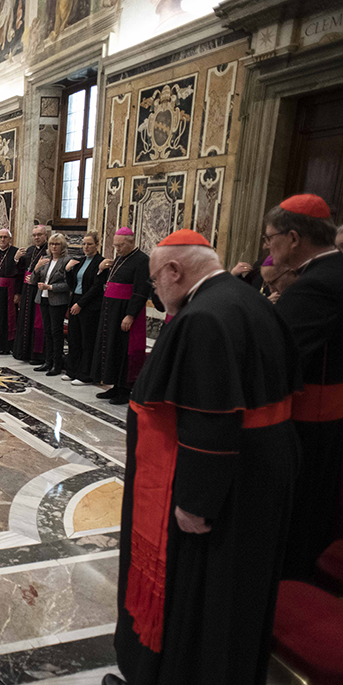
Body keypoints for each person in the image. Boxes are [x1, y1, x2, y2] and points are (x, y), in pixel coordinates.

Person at [106, 229, 298, 685]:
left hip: (216, 481)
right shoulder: (245, 298)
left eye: (155, 282)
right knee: (236, 587)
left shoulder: (204, 318)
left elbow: (210, 418)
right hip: (258, 470)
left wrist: (196, 501)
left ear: (175, 271)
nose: (155, 291)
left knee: (202, 589)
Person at [265, 194, 343, 579]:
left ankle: (293, 574)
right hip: (330, 411)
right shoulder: (333, 272)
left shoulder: (315, 286)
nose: (267, 246)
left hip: (310, 416)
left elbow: (277, 351)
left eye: (271, 237)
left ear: (294, 238)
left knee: (304, 503)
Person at [92, 227, 150, 405]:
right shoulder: (120, 258)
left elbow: (141, 291)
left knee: (124, 349)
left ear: (131, 242)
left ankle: (125, 390)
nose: (117, 249)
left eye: (120, 245)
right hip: (111, 310)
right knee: (112, 348)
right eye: (115, 246)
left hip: (125, 312)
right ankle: (115, 385)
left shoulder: (142, 260)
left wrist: (130, 315)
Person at [64, 231, 106, 385]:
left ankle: (85, 374)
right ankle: (72, 370)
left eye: (89, 244)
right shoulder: (80, 261)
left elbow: (96, 288)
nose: (86, 247)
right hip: (75, 300)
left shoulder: (100, 263)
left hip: (89, 305)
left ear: (97, 245)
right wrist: (68, 271)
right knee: (74, 338)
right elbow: (72, 284)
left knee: (87, 340)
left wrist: (80, 304)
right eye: (84, 244)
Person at [33, 233, 71, 376]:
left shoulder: (66, 260)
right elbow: (32, 281)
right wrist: (36, 269)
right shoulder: (45, 260)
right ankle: (48, 361)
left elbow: (68, 284)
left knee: (56, 332)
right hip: (43, 299)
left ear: (63, 246)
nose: (54, 247)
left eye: (57, 244)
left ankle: (57, 363)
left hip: (57, 301)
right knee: (47, 331)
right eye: (51, 244)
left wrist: (50, 288)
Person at [13, 224, 50, 364]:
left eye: (39, 235)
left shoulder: (48, 251)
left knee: (36, 322)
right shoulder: (30, 250)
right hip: (26, 290)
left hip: (39, 290)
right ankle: (23, 351)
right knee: (25, 320)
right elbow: (20, 269)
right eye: (34, 235)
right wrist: (16, 259)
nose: (36, 238)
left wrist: (35, 277)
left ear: (45, 235)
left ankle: (37, 355)